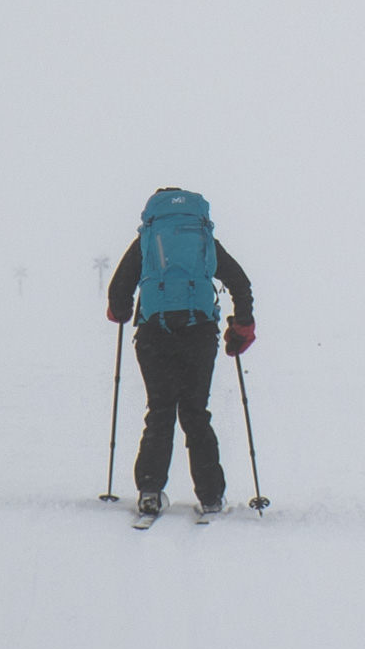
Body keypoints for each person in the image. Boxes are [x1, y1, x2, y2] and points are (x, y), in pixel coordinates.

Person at [107, 188, 255, 517]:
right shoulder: (204, 240)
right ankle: (211, 496)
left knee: (160, 411)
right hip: (198, 334)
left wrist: (120, 310)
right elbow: (239, 282)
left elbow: (118, 291)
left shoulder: (146, 240)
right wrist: (242, 325)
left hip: (154, 334)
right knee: (195, 412)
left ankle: (149, 491)